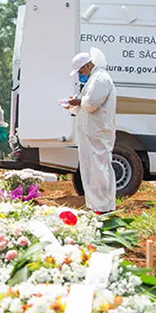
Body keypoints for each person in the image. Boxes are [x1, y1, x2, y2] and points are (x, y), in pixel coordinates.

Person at [66, 50, 117, 213]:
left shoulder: (100, 78)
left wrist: (79, 101)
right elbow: (85, 105)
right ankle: (96, 205)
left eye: (81, 71)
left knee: (98, 169)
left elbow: (90, 104)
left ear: (88, 65)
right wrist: (74, 104)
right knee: (91, 168)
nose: (80, 74)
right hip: (91, 134)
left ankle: (103, 207)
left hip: (98, 133)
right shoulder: (93, 79)